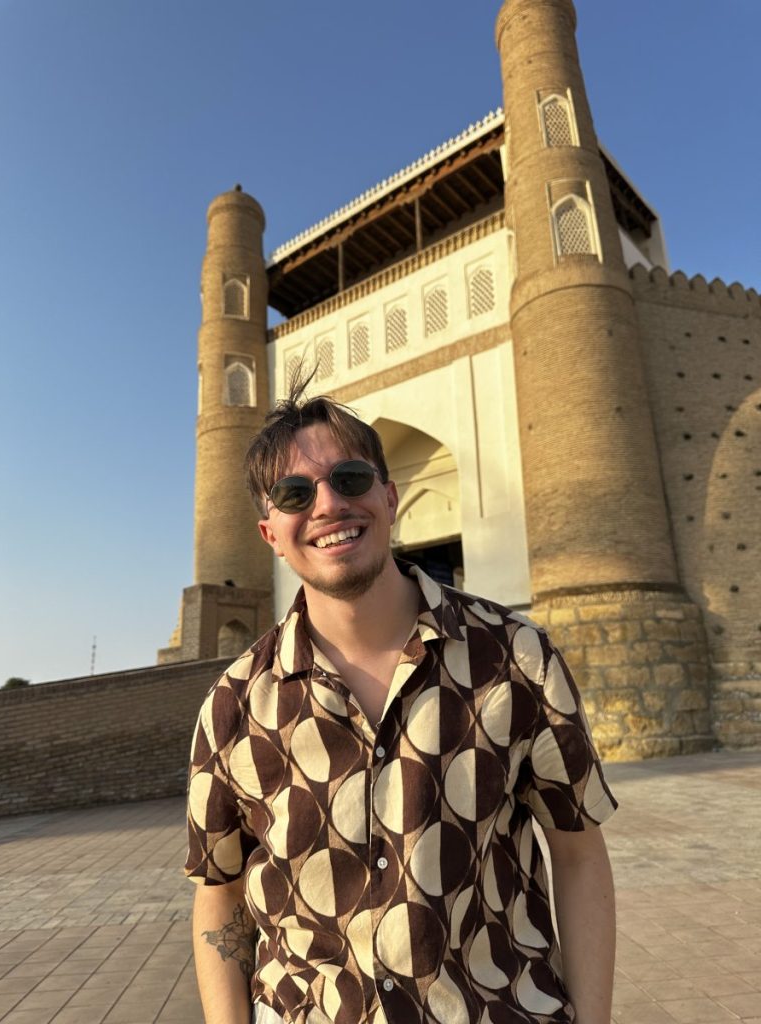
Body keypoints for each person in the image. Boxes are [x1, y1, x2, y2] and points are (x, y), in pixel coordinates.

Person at [185, 376, 617, 1024]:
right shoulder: (235, 707)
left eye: (350, 480)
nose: (328, 504)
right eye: (295, 494)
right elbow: (219, 899)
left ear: (390, 497)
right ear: (270, 532)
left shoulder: (515, 660)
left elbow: (579, 855)